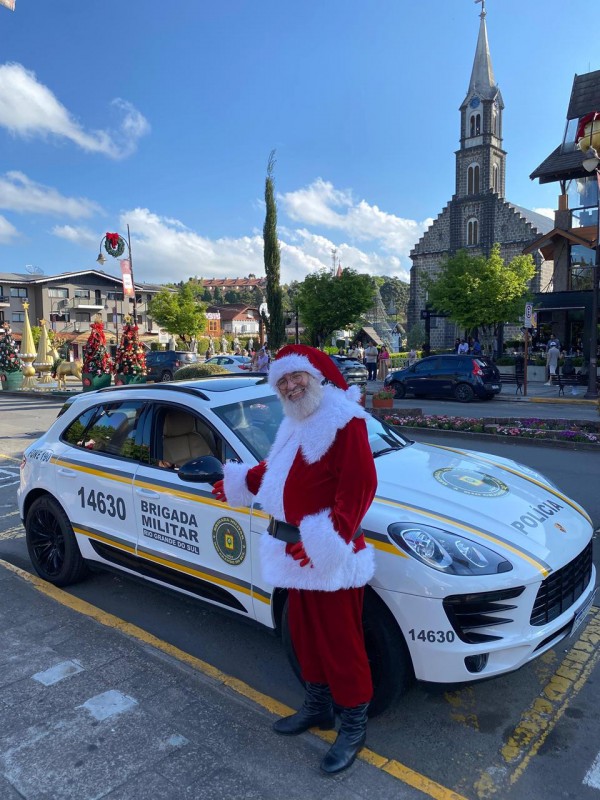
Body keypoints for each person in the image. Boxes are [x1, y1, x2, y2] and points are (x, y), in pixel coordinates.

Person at [212, 345, 377, 774]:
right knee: (305, 638)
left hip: (327, 557)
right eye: (282, 381)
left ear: (316, 375)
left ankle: (354, 726)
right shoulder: (296, 423)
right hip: (292, 554)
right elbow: (276, 468)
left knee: (342, 645)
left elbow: (360, 485)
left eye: (296, 376)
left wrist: (331, 537)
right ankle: (318, 707)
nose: (290, 386)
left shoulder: (345, 420)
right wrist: (241, 481)